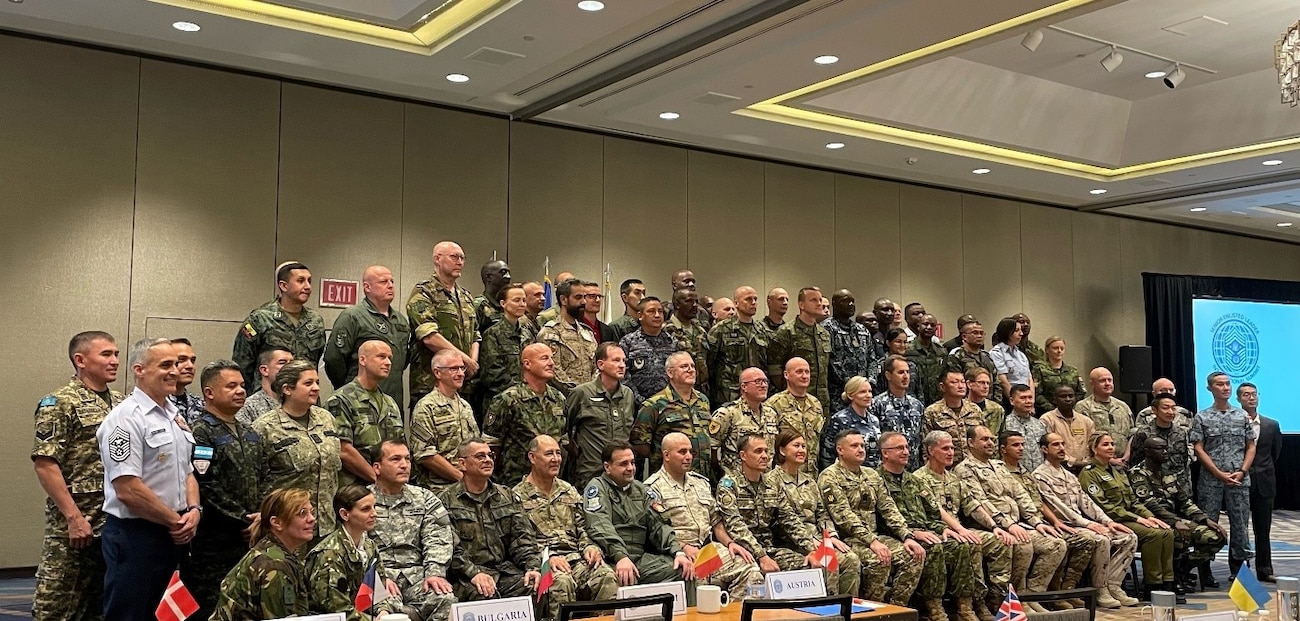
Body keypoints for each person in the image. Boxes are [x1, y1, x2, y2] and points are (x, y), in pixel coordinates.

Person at [96, 338, 201, 620]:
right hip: (136, 536)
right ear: (139, 370)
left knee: (170, 615)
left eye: (176, 364)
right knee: (130, 614)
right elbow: (128, 489)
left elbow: (187, 470)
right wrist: (175, 520)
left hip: (175, 532)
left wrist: (193, 510)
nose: (175, 371)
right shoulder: (125, 419)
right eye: (165, 365)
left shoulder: (174, 415)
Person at [31, 331, 123, 621]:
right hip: (74, 525)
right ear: (80, 360)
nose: (115, 361)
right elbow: (46, 464)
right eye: (106, 354)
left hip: (113, 522)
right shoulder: (59, 402)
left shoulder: (122, 403)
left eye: (116, 354)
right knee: (57, 607)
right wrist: (73, 517)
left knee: (101, 607)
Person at [716, 433, 859, 596]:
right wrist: (761, 556)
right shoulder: (729, 484)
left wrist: (811, 548)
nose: (764, 456)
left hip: (770, 548)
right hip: (745, 551)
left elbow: (789, 518)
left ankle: (827, 612)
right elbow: (736, 526)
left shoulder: (770, 485)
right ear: (743, 455)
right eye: (758, 451)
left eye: (766, 451)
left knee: (821, 562)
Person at [953, 426, 1065, 610]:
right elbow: (980, 503)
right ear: (970, 443)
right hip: (989, 527)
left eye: (991, 439)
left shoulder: (998, 465)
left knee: (1057, 544)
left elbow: (1020, 495)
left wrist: (1036, 521)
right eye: (984, 439)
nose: (990, 443)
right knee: (1023, 545)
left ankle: (1033, 595)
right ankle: (1015, 598)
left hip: (1018, 524)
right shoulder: (965, 469)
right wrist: (1008, 524)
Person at [185, 360, 261, 620]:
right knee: (213, 608)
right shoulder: (201, 432)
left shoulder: (250, 432)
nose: (241, 390)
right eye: (231, 386)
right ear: (209, 393)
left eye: (242, 385)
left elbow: (264, 476)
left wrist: (261, 515)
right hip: (215, 540)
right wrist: (243, 519)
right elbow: (206, 484)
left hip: (251, 535)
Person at [876, 431, 980, 621]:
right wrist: (913, 533)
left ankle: (965, 607)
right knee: (933, 548)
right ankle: (934, 608)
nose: (906, 452)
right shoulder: (876, 480)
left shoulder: (914, 481)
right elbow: (881, 520)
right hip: (896, 535)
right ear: (885, 453)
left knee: (961, 545)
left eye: (907, 447)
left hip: (924, 532)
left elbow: (932, 513)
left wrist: (943, 529)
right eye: (899, 448)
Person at [646, 433, 762, 598]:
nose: (688, 457)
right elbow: (656, 530)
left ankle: (736, 616)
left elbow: (716, 522)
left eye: (690, 452)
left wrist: (730, 543)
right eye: (682, 452)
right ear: (666, 455)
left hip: (707, 551)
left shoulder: (700, 483)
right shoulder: (652, 488)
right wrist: (683, 548)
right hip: (679, 554)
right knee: (697, 583)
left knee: (751, 570)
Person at [514, 435, 618, 619]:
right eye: (548, 454)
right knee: (561, 582)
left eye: (557, 453)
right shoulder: (517, 496)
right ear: (532, 458)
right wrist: (548, 557)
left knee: (606, 576)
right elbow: (521, 541)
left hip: (576, 559)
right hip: (544, 562)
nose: (556, 459)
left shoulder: (568, 490)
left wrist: (590, 547)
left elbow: (583, 527)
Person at [911, 430, 1012, 620]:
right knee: (970, 544)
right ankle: (971, 605)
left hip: (959, 529)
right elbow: (935, 510)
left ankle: (997, 601)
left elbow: (972, 505)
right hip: (935, 530)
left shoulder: (953, 479)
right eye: (945, 448)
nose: (951, 452)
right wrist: (960, 530)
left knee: (999, 541)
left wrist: (994, 526)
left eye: (952, 448)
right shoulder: (918, 478)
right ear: (931, 451)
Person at [819, 430, 925, 605]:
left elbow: (888, 507)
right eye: (854, 446)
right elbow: (843, 516)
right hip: (847, 539)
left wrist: (907, 536)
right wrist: (872, 542)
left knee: (914, 555)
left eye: (862, 445)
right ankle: (870, 608)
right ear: (840, 450)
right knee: (879, 560)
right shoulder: (829, 477)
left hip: (873, 537)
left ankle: (894, 608)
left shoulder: (871, 475)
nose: (861, 449)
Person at [1033, 433, 1139, 608]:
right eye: (1055, 445)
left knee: (1128, 537)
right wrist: (1088, 524)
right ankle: (1100, 589)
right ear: (1044, 449)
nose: (1061, 448)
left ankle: (1114, 584)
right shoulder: (1040, 475)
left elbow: (1086, 501)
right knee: (1101, 539)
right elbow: (1058, 507)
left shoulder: (1068, 475)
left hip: (1081, 523)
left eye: (1062, 444)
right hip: (1063, 525)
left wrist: (1107, 521)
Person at [438, 439, 545, 604]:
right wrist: (474, 573)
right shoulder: (445, 501)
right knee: (483, 594)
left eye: (490, 455)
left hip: (503, 572)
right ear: (462, 464)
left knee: (535, 585)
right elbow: (450, 549)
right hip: (466, 578)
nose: (487, 460)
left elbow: (523, 539)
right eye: (480, 456)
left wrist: (532, 567)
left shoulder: (506, 496)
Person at [998, 432, 1095, 611]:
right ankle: (1028, 596)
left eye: (1022, 445)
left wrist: (1055, 521)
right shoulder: (999, 472)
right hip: (1018, 523)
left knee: (1085, 541)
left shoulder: (1025, 472)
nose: (1021, 449)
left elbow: (1039, 501)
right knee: (1056, 545)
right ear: (1003, 449)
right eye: (1016, 445)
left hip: (1039, 521)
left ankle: (1060, 592)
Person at [1078, 432, 1176, 599]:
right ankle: (1152, 584)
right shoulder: (1089, 473)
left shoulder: (1118, 472)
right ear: (1094, 449)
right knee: (1154, 534)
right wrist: (1137, 519)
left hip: (1128, 516)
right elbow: (1103, 506)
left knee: (1167, 532)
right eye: (1105, 444)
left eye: (1112, 444)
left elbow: (1133, 500)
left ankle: (1167, 581)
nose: (1111, 448)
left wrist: (1148, 516)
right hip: (1111, 520)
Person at [369, 439, 457, 621]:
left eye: (407, 459)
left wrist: (434, 573)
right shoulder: (363, 502)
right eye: (395, 459)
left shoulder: (424, 498)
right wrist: (377, 578)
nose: (404, 465)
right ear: (377, 468)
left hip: (418, 577)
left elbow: (439, 538)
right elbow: (357, 547)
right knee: (381, 607)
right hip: (380, 578)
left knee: (444, 599)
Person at [584, 442, 694, 586]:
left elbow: (659, 526)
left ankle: (689, 609)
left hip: (640, 558)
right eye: (624, 464)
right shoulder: (597, 488)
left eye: (632, 462)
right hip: (611, 557)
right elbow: (600, 526)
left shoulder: (642, 490)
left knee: (684, 570)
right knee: (620, 578)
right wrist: (620, 556)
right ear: (607, 467)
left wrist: (677, 552)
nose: (630, 468)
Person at [1129, 435, 1225, 599]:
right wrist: (1176, 521)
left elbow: (1184, 501)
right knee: (1178, 534)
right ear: (1147, 451)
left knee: (1216, 537)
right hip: (1153, 521)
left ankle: (1181, 570)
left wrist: (1205, 519)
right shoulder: (1137, 474)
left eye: (1166, 448)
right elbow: (1150, 504)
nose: (1165, 452)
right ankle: (1172, 579)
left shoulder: (1169, 473)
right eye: (1160, 449)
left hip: (1176, 519)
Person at [253, 359, 342, 536]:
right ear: (287, 389)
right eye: (308, 383)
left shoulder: (326, 419)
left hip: (326, 525)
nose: (316, 388)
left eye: (317, 382)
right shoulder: (265, 427)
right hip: (287, 527)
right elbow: (253, 480)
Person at [773, 429, 861, 597]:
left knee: (851, 559)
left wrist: (832, 536)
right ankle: (828, 611)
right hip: (791, 542)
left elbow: (822, 514)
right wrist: (811, 542)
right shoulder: (772, 480)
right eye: (796, 446)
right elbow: (783, 521)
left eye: (804, 446)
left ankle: (847, 609)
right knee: (828, 561)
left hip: (819, 539)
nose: (801, 450)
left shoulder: (810, 481)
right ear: (782, 450)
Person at [211, 488, 314, 620]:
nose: (311, 519)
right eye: (302, 513)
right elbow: (279, 619)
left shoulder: (274, 551)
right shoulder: (274, 565)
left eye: (311, 512)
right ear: (277, 522)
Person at [1191, 371, 1255, 579]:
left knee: (1240, 524)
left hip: (1239, 478)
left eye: (1228, 384)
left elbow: (1251, 446)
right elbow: (1199, 449)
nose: (1226, 388)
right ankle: (1205, 568)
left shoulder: (1241, 415)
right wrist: (1218, 473)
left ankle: (1238, 569)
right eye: (1220, 384)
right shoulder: (1202, 417)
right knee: (1209, 523)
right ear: (1210, 388)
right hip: (1211, 479)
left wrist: (1243, 470)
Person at [305, 485, 403, 620]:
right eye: (365, 509)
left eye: (374, 507)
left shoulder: (369, 546)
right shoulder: (330, 553)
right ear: (345, 514)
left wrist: (383, 612)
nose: (374, 513)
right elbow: (335, 607)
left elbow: (378, 589)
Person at [324, 265, 411, 410]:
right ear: (367, 287)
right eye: (383, 282)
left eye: (392, 282)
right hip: (359, 400)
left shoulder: (400, 320)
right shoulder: (353, 316)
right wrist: (347, 388)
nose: (390, 286)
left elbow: (402, 360)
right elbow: (334, 359)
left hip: (392, 400)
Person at [408, 241, 480, 409]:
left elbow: (475, 334)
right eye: (455, 257)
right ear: (437, 259)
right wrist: (465, 361)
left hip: (463, 381)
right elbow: (429, 336)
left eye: (462, 258)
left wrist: (471, 363)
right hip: (431, 381)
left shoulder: (466, 296)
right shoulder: (424, 292)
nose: (460, 262)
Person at [233, 261, 325, 391]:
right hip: (269, 396)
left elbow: (316, 360)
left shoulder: (315, 321)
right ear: (283, 286)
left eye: (309, 281)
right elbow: (242, 363)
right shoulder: (260, 318)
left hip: (304, 396)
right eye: (300, 281)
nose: (308, 286)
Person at [484, 343, 567, 485]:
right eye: (544, 358)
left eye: (551, 358)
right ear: (527, 364)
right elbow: (492, 445)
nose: (551, 363)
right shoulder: (509, 399)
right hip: (515, 481)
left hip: (552, 481)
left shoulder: (558, 398)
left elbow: (564, 442)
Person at [327, 340, 403, 487]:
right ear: (362, 360)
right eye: (381, 357)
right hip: (356, 490)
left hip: (389, 488)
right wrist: (377, 479)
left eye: (390, 358)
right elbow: (343, 450)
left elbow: (399, 446)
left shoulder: (390, 403)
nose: (388, 362)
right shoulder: (341, 399)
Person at [631, 352, 714, 481]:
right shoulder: (654, 404)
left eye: (692, 366)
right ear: (670, 373)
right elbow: (640, 444)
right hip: (669, 480)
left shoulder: (703, 400)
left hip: (702, 478)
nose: (690, 370)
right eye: (684, 366)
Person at [564, 343, 636, 487]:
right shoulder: (582, 393)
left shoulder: (628, 394)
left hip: (620, 473)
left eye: (624, 361)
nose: (622, 365)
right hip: (591, 472)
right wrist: (578, 452)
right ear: (601, 364)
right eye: (616, 360)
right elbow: (564, 430)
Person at [409, 349, 480, 491]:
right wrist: (461, 477)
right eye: (454, 369)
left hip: (469, 484)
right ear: (437, 373)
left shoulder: (465, 406)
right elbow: (424, 454)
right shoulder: (426, 407)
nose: (460, 373)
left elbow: (475, 444)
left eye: (462, 368)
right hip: (439, 487)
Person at [1240, 382, 1281, 582]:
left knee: (1263, 529)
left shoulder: (1271, 424)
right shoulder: (1234, 422)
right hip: (1240, 480)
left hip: (1264, 482)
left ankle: (1265, 569)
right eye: (1246, 394)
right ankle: (1239, 570)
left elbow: (1276, 453)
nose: (1251, 397)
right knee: (1239, 528)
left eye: (1254, 394)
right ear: (1238, 399)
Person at [767, 287, 832, 412]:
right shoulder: (787, 332)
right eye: (813, 300)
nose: (819, 304)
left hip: (821, 401)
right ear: (801, 305)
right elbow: (774, 368)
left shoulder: (824, 334)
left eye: (820, 300)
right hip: (794, 401)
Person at [709, 367, 780, 476]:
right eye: (758, 382)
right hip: (736, 481)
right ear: (744, 386)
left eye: (765, 381)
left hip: (766, 481)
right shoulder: (728, 413)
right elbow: (712, 448)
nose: (763, 385)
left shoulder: (771, 414)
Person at [706, 285, 769, 407]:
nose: (753, 303)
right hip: (729, 394)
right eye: (748, 299)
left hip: (756, 396)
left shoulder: (762, 330)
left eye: (755, 299)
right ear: (736, 303)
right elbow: (710, 364)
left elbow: (765, 363)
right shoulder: (721, 330)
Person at [478, 282, 538, 405]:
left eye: (524, 300)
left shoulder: (527, 333)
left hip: (528, 398)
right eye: (516, 300)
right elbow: (492, 375)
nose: (522, 304)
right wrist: (520, 392)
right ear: (503, 304)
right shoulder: (493, 334)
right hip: (503, 401)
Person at [537, 278, 598, 396]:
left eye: (584, 297)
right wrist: (577, 393)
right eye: (578, 297)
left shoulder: (587, 332)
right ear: (564, 300)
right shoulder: (551, 332)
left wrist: (592, 389)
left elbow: (597, 366)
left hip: (590, 399)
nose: (584, 302)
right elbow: (553, 371)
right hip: (563, 400)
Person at [767, 357, 825, 476]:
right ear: (786, 375)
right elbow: (769, 444)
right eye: (799, 372)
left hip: (811, 475)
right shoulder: (774, 404)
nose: (804, 376)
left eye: (807, 372)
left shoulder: (815, 404)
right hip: (785, 475)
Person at [869, 355, 926, 470]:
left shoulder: (917, 405)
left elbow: (922, 439)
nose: (906, 377)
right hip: (888, 469)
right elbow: (874, 441)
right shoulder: (877, 404)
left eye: (907, 372)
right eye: (900, 372)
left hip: (913, 470)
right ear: (888, 375)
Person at [619, 296, 679, 404]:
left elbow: (679, 374)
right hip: (637, 405)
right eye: (651, 311)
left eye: (660, 311)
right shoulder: (628, 342)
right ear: (640, 315)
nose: (657, 315)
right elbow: (623, 375)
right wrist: (639, 401)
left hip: (669, 405)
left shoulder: (672, 342)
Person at [1132, 393, 1192, 498]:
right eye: (1166, 408)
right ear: (1154, 410)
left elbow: (1184, 461)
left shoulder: (1181, 433)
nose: (1170, 412)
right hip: (1154, 487)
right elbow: (1135, 462)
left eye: (1173, 408)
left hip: (1179, 487)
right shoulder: (1144, 433)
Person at [922, 369, 985, 465]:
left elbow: (984, 439)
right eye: (954, 382)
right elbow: (926, 447)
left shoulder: (974, 409)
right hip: (946, 468)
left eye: (962, 382)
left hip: (974, 468)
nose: (960, 386)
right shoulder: (932, 412)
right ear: (942, 387)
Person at [818, 376, 881, 470]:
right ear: (851, 395)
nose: (868, 395)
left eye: (870, 391)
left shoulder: (874, 420)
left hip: (872, 477)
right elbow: (827, 455)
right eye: (862, 392)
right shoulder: (840, 420)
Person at [823, 289, 874, 406]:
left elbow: (872, 359)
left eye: (853, 301)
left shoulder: (862, 330)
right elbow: (830, 360)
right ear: (834, 304)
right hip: (838, 394)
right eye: (846, 301)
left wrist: (869, 382)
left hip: (864, 393)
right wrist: (852, 385)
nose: (851, 305)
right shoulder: (826, 328)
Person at [1075, 367, 1134, 463]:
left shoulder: (1122, 406)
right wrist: (1109, 460)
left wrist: (1126, 456)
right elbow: (1082, 440)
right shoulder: (1083, 407)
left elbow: (1132, 433)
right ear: (1092, 384)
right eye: (1102, 381)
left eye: (1109, 380)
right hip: (1097, 464)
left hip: (1124, 462)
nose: (1107, 383)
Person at [664, 288, 711, 396]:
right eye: (689, 301)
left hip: (702, 392)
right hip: (677, 392)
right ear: (677, 304)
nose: (694, 305)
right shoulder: (666, 330)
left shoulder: (701, 330)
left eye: (696, 301)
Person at [1038, 386, 1095, 470]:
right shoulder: (1047, 419)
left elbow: (1093, 444)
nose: (1068, 399)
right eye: (1063, 396)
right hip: (1058, 467)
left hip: (1086, 468)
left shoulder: (1086, 421)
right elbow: (1047, 446)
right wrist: (1072, 462)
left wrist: (1086, 461)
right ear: (1055, 399)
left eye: (1071, 396)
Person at [947, 321, 1001, 405]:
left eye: (981, 333)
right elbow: (955, 385)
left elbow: (996, 383)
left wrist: (996, 404)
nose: (979, 336)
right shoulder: (956, 356)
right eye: (975, 333)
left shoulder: (987, 356)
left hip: (989, 405)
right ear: (964, 336)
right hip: (966, 406)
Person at [235, 348, 292, 425]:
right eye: (282, 363)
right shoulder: (248, 407)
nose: (290, 367)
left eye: (292, 363)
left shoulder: (300, 403)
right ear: (264, 370)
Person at [1030, 337, 1084, 414]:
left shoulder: (1073, 370)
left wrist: (1071, 407)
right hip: (1047, 413)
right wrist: (1054, 410)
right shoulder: (1039, 369)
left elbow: (1081, 392)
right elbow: (1037, 393)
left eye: (1062, 348)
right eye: (1055, 348)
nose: (1059, 351)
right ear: (1047, 350)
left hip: (1071, 412)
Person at [1002, 384, 1047, 473]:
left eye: (1030, 398)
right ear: (1012, 401)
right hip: (1015, 474)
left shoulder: (1040, 424)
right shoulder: (1005, 423)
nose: (1028, 401)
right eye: (1023, 398)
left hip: (1039, 474)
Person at [869, 328, 922, 401]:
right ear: (888, 343)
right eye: (898, 341)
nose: (902, 345)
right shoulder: (881, 365)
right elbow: (876, 391)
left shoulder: (911, 365)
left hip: (911, 406)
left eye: (905, 342)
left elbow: (919, 391)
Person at [907, 314, 947, 406]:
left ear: (936, 329)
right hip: (914, 400)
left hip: (937, 401)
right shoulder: (908, 349)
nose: (929, 327)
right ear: (918, 326)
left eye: (932, 325)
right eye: (925, 324)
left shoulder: (941, 352)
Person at [168, 338, 205, 423]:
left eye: (192, 360)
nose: (190, 366)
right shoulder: (153, 403)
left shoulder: (200, 405)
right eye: (181, 359)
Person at [473, 259, 512, 335]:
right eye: (503, 272)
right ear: (489, 277)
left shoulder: (509, 304)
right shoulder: (479, 305)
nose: (508, 277)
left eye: (508, 273)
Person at [966, 368, 1005, 436]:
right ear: (969, 384)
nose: (986, 386)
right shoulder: (961, 408)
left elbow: (1002, 436)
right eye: (982, 383)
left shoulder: (997, 409)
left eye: (988, 383)